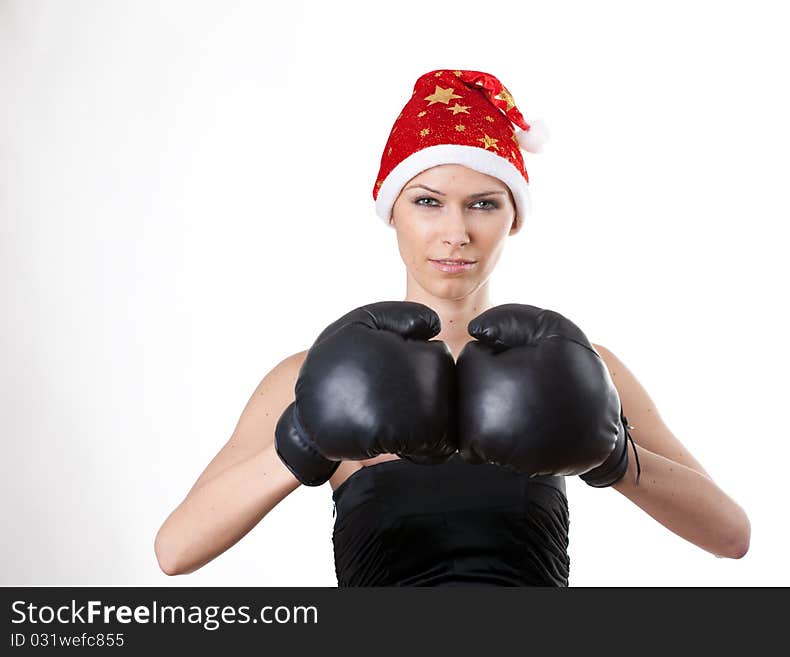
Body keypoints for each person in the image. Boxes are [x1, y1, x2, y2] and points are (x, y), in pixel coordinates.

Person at [154, 69, 750, 585]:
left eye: (484, 203)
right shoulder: (318, 373)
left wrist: (614, 458)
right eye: (428, 201)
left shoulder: (579, 365)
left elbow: (730, 535)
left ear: (515, 216)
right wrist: (302, 442)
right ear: (392, 211)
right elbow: (176, 551)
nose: (456, 232)